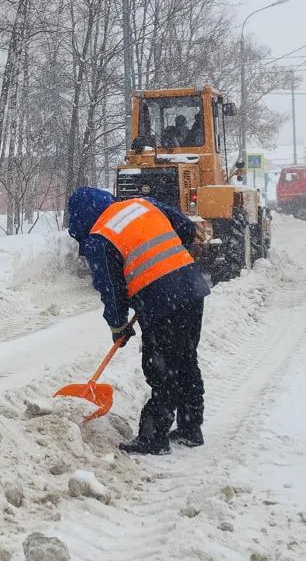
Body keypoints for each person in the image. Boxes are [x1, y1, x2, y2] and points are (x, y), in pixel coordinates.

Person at [66, 186, 212, 456]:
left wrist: (118, 325)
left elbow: (110, 287)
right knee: (186, 359)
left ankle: (153, 438)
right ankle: (191, 428)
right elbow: (186, 229)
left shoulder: (100, 237)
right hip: (192, 290)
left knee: (161, 369)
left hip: (160, 302)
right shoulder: (141, 204)